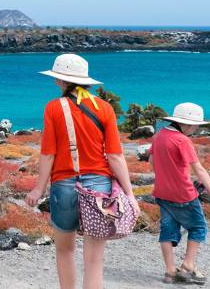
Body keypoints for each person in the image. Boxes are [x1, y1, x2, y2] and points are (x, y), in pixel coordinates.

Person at [24, 53, 138, 289]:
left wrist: (38, 188)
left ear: (62, 81)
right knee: (94, 259)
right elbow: (115, 156)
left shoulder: (53, 108)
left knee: (65, 250)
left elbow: (48, 154)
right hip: (99, 188)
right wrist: (130, 194)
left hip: (64, 186)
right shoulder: (105, 108)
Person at [152, 102, 210, 285]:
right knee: (198, 227)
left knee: (167, 231)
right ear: (187, 124)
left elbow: (153, 159)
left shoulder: (159, 136)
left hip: (162, 192)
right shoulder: (183, 140)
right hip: (183, 194)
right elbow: (200, 170)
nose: (197, 129)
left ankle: (170, 272)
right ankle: (188, 265)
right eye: (196, 125)